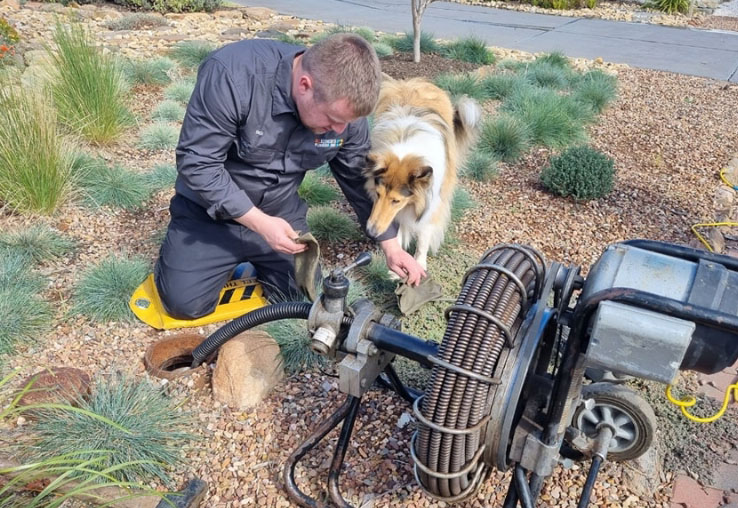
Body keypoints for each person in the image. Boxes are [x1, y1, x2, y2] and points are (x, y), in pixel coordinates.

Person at [154, 33, 426, 319]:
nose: (338, 130)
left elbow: (360, 181)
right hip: (208, 216)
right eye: (333, 120)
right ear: (305, 85)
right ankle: (187, 257)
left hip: (281, 215)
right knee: (183, 305)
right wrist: (259, 223)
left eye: (346, 123)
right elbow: (198, 163)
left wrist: (391, 247)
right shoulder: (232, 74)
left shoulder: (345, 117)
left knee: (302, 299)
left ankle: (252, 259)